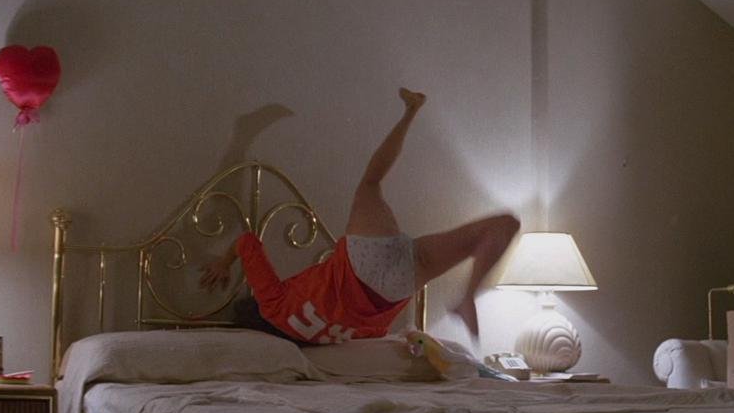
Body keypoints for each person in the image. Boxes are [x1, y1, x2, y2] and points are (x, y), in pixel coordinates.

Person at [200, 88, 519, 344]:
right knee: (371, 183)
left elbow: (377, 335)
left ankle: (467, 299)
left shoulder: (338, 339)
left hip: (396, 289)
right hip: (361, 263)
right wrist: (222, 263)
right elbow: (246, 242)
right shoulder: (272, 305)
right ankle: (410, 111)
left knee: (500, 227)